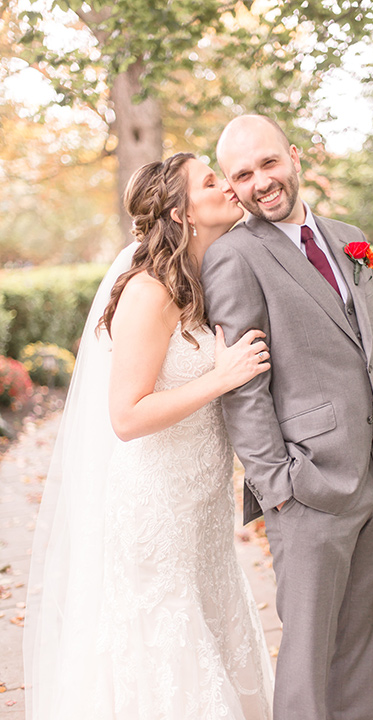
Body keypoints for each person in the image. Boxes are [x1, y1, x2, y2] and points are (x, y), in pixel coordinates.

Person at [24, 153, 274, 720]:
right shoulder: (149, 292)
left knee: (216, 636)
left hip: (202, 513)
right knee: (168, 658)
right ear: (181, 213)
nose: (229, 187)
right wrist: (221, 376)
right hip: (155, 509)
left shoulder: (205, 281)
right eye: (211, 182)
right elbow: (127, 416)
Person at [201, 115, 373, 720]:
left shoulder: (351, 239)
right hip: (307, 490)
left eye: (269, 163)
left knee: (359, 653)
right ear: (231, 186)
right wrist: (278, 488)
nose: (261, 182)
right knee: (305, 663)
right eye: (242, 174)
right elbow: (243, 385)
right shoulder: (233, 257)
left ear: (294, 157)